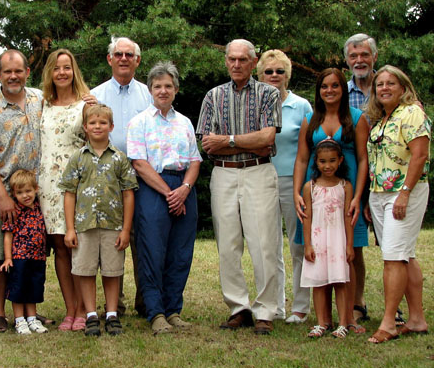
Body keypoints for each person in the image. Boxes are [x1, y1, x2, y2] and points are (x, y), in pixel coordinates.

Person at [196, 39, 282, 335]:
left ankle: (266, 310)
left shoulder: (269, 93)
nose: (236, 64)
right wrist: (246, 141)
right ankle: (238, 308)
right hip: (223, 175)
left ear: (254, 62)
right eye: (231, 59)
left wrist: (227, 140)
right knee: (227, 245)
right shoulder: (213, 96)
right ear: (226, 61)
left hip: (259, 173)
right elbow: (208, 145)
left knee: (264, 244)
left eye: (242, 60)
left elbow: (267, 139)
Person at [127, 62, 202, 334]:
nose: (163, 90)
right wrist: (170, 193)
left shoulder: (185, 122)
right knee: (152, 252)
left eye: (168, 86)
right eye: (158, 86)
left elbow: (195, 160)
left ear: (176, 89)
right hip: (153, 189)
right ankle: (155, 312)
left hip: (183, 187)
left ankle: (173, 310)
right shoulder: (139, 122)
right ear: (150, 90)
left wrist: (184, 189)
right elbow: (139, 163)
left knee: (181, 252)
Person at [293, 67, 369, 334]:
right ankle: (324, 318)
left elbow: (362, 159)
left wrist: (359, 196)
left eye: (335, 86)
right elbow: (302, 158)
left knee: (350, 253)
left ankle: (350, 315)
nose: (329, 91)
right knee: (319, 252)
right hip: (317, 197)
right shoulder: (310, 120)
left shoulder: (356, 119)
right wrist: (296, 191)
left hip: (346, 195)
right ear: (318, 90)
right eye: (324, 86)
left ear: (342, 89)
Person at [0, 49, 42, 333]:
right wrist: (2, 196)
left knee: (29, 253)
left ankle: (29, 312)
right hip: (0, 195)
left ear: (27, 72)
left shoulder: (39, 100)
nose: (13, 76)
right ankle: (0, 313)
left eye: (18, 71)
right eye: (7, 72)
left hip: (33, 195)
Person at [364, 65, 430, 343]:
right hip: (379, 193)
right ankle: (416, 319)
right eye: (380, 84)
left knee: (392, 257)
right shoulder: (381, 119)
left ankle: (389, 322)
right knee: (406, 255)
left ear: (403, 87)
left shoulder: (412, 113)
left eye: (391, 83)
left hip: (404, 193)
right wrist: (371, 197)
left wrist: (404, 192)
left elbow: (419, 155)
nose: (385, 88)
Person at [61, 104, 138, 336]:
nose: (97, 126)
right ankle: (91, 314)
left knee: (112, 271)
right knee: (85, 270)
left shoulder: (119, 159)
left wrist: (126, 229)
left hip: (113, 226)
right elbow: (69, 193)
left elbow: (128, 193)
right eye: (92, 123)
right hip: (84, 226)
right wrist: (70, 229)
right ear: (85, 127)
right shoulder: (77, 158)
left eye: (102, 123)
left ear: (111, 127)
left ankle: (112, 314)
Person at [90, 36, 152, 317]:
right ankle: (117, 302)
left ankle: (145, 299)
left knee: (142, 239)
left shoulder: (149, 94)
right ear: (109, 59)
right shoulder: (96, 95)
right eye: (119, 54)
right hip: (106, 178)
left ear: (138, 60)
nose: (124, 58)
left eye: (130, 54)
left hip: (143, 175)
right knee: (110, 240)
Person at [257, 50, 312, 324]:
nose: (274, 76)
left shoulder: (301, 106)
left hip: (294, 181)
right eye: (269, 71)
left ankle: (301, 306)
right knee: (268, 245)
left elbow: (312, 145)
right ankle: (274, 306)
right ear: (261, 75)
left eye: (279, 71)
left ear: (287, 75)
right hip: (261, 178)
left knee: (297, 244)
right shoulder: (254, 103)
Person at [38, 49, 89, 331]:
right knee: (59, 246)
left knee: (78, 246)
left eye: (67, 67)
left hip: (77, 185)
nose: (61, 73)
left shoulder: (86, 104)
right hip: (47, 186)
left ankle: (84, 308)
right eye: (56, 68)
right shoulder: (42, 104)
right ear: (50, 72)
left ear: (74, 71)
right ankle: (70, 309)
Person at [300, 140, 354, 339]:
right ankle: (322, 322)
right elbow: (307, 218)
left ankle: (342, 323)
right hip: (318, 241)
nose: (328, 166)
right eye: (323, 161)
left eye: (332, 161)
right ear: (316, 162)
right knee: (319, 282)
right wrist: (307, 244)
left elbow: (348, 217)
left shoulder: (345, 186)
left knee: (340, 281)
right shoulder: (310, 187)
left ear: (340, 160)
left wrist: (349, 245)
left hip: (338, 240)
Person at [343, 33, 377, 322]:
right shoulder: (342, 92)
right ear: (346, 60)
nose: (359, 60)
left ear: (374, 57)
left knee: (396, 248)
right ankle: (358, 302)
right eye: (353, 56)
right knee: (356, 244)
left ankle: (398, 305)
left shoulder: (389, 85)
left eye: (364, 55)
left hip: (388, 177)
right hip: (357, 176)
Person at [0, 170, 49, 335]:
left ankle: (32, 318)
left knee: (34, 287)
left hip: (37, 257)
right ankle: (19, 320)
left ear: (36, 189)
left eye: (28, 191)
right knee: (18, 289)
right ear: (13, 194)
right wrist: (8, 258)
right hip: (19, 257)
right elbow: (8, 235)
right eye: (19, 192)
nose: (25, 196)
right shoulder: (15, 211)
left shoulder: (39, 208)